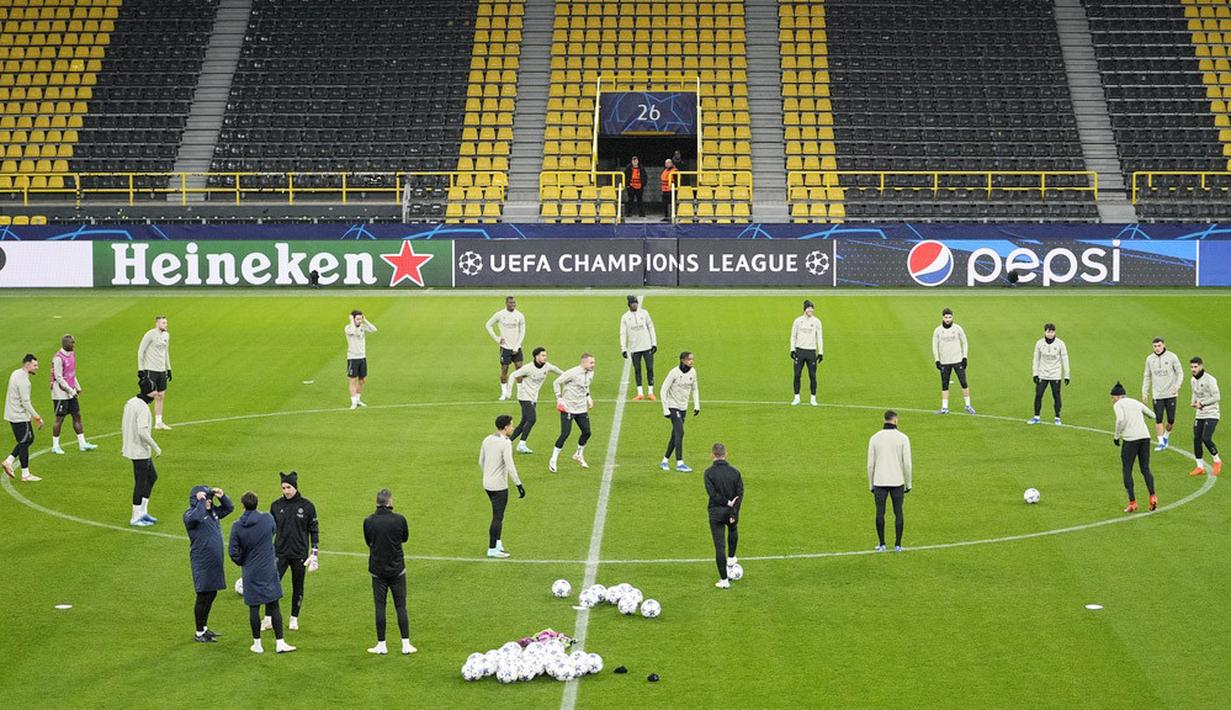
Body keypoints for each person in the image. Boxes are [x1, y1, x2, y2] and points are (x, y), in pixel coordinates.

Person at [229, 491, 295, 654]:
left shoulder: (237, 526)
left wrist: (243, 561)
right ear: (257, 503)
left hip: (250, 571)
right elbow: (273, 531)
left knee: (254, 607)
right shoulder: (267, 519)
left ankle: (257, 644)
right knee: (274, 605)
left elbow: (233, 552)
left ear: (242, 505)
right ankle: (280, 643)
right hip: (267, 568)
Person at [363, 488, 415, 655]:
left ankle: (381, 644)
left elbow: (368, 541)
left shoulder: (369, 521)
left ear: (377, 502)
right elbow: (405, 538)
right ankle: (406, 644)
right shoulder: (399, 520)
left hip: (378, 571)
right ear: (389, 502)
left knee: (380, 607)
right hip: (397, 569)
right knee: (401, 606)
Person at [266, 471, 319, 633]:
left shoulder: (307, 506)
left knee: (298, 586)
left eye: (288, 487)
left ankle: (294, 618)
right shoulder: (276, 506)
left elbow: (314, 529)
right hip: (280, 553)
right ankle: (268, 618)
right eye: (283, 487)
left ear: (295, 486)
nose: (286, 491)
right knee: (272, 585)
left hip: (299, 554)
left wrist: (314, 551)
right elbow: (270, 530)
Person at [184, 485, 232, 643]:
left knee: (212, 593)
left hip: (214, 560)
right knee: (203, 595)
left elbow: (229, 508)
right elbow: (197, 517)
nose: (209, 501)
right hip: (202, 561)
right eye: (207, 498)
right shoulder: (190, 515)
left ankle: (204, 628)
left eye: (210, 499)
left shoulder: (213, 513)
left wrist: (222, 495)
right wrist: (201, 501)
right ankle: (199, 632)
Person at [480, 414, 525, 558]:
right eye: (511, 425)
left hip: (487, 483)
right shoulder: (505, 443)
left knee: (498, 514)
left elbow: (481, 461)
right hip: (499, 486)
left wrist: (488, 474)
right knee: (497, 517)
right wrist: (518, 484)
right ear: (505, 427)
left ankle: (498, 543)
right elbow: (510, 465)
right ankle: (492, 548)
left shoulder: (487, 439)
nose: (513, 427)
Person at [867, 410, 912, 551]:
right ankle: (898, 545)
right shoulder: (903, 438)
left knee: (880, 513)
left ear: (884, 419)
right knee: (898, 512)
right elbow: (907, 464)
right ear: (895, 420)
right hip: (897, 481)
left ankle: (882, 544)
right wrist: (908, 483)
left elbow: (870, 465)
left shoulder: (875, 438)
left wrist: (871, 484)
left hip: (879, 481)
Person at [1111, 382, 1157, 512]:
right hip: (1145, 437)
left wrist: (1116, 435)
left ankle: (1133, 502)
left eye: (1113, 398)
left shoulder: (1119, 405)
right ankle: (1152, 496)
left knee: (1127, 470)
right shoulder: (1135, 402)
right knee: (1145, 468)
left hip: (1131, 439)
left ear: (1118, 396)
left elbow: (1120, 420)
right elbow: (1152, 415)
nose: (1112, 400)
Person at [509, 347, 564, 454]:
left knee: (524, 422)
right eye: (543, 355)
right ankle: (522, 444)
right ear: (536, 356)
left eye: (545, 355)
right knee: (532, 419)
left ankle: (507, 442)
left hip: (533, 397)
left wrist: (570, 377)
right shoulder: (528, 368)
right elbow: (513, 375)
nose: (545, 357)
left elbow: (560, 372)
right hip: (524, 396)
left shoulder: (547, 367)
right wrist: (509, 391)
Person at [122, 377, 161, 526]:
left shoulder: (131, 402)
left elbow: (125, 424)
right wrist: (156, 446)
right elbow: (142, 432)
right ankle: (135, 516)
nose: (156, 393)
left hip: (132, 447)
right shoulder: (143, 408)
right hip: (140, 451)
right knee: (141, 482)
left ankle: (143, 512)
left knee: (152, 477)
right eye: (154, 391)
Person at [704, 442, 742, 589]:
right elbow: (740, 495)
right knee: (733, 530)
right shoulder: (735, 472)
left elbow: (712, 494)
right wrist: (733, 511)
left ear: (712, 455)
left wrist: (726, 502)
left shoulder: (708, 473)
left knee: (719, 547)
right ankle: (732, 558)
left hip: (715, 512)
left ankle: (724, 581)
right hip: (731, 513)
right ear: (726, 454)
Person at [49, 334, 97, 454]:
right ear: (65, 344)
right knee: (59, 419)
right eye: (71, 343)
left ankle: (82, 443)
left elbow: (71, 373)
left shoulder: (71, 355)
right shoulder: (58, 358)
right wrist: (71, 390)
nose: (73, 345)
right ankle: (55, 446)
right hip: (60, 393)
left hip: (70, 392)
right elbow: (59, 377)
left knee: (77, 415)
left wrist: (77, 387)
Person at [550, 353, 595, 473]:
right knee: (565, 434)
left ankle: (579, 454)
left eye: (593, 363)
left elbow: (585, 386)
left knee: (587, 432)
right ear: (583, 362)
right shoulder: (572, 372)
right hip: (568, 407)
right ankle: (553, 459)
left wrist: (588, 398)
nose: (593, 365)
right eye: (591, 363)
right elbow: (556, 382)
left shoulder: (590, 373)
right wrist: (559, 398)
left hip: (581, 408)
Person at [3, 354, 43, 482]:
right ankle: (25, 474)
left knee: (27, 440)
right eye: (35, 365)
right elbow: (26, 402)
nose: (37, 368)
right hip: (19, 416)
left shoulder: (15, 373)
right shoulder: (25, 382)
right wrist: (36, 417)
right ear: (28, 364)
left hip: (11, 413)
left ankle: (8, 461)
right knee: (25, 442)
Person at [660, 351, 700, 472]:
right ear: (682, 360)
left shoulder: (693, 372)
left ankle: (664, 461)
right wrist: (665, 409)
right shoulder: (674, 373)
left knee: (675, 434)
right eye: (689, 359)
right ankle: (679, 463)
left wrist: (697, 405)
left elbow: (695, 389)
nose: (691, 361)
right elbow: (663, 390)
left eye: (692, 359)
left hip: (684, 407)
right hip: (673, 406)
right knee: (680, 432)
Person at [1143, 337, 1184, 451]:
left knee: (1171, 420)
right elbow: (1147, 376)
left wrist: (1177, 386)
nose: (1157, 348)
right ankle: (1161, 442)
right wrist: (1144, 392)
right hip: (1157, 394)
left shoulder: (1172, 357)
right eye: (1155, 346)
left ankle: (1166, 436)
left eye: (1159, 345)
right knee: (1158, 418)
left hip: (1171, 394)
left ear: (1164, 345)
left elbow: (1180, 373)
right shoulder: (1150, 359)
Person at [932, 307, 974, 415]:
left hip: (957, 360)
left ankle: (968, 405)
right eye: (946, 317)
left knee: (963, 382)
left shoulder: (957, 329)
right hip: (945, 361)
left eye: (949, 317)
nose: (947, 319)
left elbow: (965, 342)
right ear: (942, 317)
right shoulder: (938, 330)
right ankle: (944, 407)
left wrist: (964, 357)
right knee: (944, 384)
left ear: (952, 317)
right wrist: (937, 360)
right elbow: (934, 346)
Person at [485, 296, 526, 401]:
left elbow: (522, 332)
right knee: (504, 370)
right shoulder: (500, 314)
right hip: (505, 347)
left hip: (517, 347)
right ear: (506, 303)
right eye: (510, 303)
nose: (513, 305)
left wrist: (517, 345)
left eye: (514, 303)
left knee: (519, 369)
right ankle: (504, 393)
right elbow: (488, 325)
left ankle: (520, 393)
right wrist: (497, 338)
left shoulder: (519, 315)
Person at [1028, 323, 1070, 425]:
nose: (1050, 334)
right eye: (1048, 332)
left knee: (1056, 395)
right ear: (1044, 332)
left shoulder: (1060, 344)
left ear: (1054, 332)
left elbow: (1065, 359)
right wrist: (1035, 373)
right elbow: (1036, 359)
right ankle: (1036, 417)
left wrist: (1067, 375)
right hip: (1042, 373)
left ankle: (1057, 418)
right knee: (1038, 395)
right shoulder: (1039, 343)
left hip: (1055, 373)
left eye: (1052, 332)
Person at [136, 315, 172, 430]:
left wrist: (169, 368)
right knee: (150, 395)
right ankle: (138, 417)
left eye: (166, 323)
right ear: (157, 323)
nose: (165, 325)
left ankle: (158, 422)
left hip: (161, 370)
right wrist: (141, 369)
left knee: (161, 395)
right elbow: (141, 351)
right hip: (150, 369)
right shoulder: (150, 334)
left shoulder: (166, 335)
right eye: (163, 323)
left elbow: (166, 352)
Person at [620, 295, 658, 400]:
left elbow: (651, 327)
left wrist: (654, 343)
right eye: (633, 303)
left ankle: (650, 392)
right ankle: (640, 393)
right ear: (629, 305)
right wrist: (623, 348)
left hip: (647, 346)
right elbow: (623, 333)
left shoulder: (644, 313)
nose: (635, 305)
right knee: (637, 369)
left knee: (650, 368)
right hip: (634, 348)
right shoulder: (625, 317)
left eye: (636, 303)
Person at [1188, 357, 1221, 477]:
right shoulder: (1193, 380)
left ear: (1201, 366)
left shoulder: (1210, 380)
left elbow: (1217, 397)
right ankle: (1199, 466)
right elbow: (1194, 392)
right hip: (1200, 414)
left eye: (1195, 367)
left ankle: (1217, 460)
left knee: (1206, 438)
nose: (1193, 369)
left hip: (1212, 413)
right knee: (1197, 439)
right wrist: (1193, 402)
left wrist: (1202, 403)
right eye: (1191, 367)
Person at [789, 299, 823, 406]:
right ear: (805, 309)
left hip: (811, 352)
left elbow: (819, 338)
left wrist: (821, 352)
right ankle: (796, 397)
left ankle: (813, 398)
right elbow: (793, 336)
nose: (811, 310)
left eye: (812, 308)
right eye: (809, 308)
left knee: (812, 376)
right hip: (800, 351)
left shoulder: (817, 321)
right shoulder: (798, 321)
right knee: (797, 375)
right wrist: (792, 349)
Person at [345, 309, 377, 409]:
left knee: (362, 380)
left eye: (360, 318)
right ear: (353, 319)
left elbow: (374, 329)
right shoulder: (348, 328)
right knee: (352, 380)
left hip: (362, 357)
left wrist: (365, 320)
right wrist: (351, 321)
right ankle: (353, 401)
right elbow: (354, 332)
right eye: (357, 319)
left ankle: (358, 399)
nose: (359, 321)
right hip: (353, 358)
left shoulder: (363, 326)